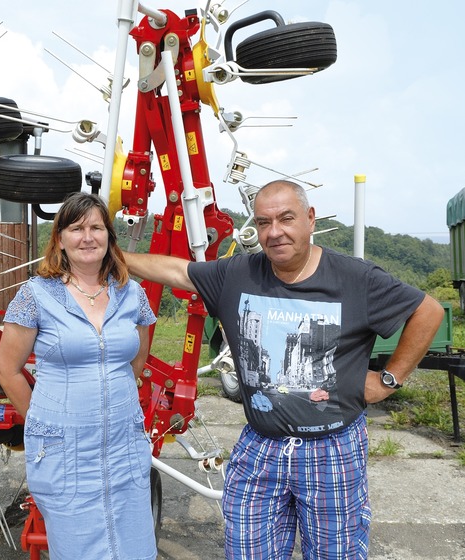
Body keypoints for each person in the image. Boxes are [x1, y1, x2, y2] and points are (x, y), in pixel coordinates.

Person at [124, 179, 444, 559]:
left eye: (286, 219)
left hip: (333, 448)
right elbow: (177, 271)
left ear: (310, 219)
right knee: (247, 550)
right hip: (260, 445)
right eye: (263, 222)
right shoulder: (237, 274)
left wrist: (388, 380)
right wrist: (110, 255)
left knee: (334, 553)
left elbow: (428, 311)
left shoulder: (355, 278)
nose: (274, 232)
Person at [0, 192, 158, 560]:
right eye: (77, 228)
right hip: (66, 451)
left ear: (109, 238)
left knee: (133, 544)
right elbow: (7, 368)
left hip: (122, 445)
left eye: (97, 228)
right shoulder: (36, 295)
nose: (88, 237)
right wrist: (42, 420)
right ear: (60, 239)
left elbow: (136, 361)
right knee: (77, 546)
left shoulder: (131, 293)